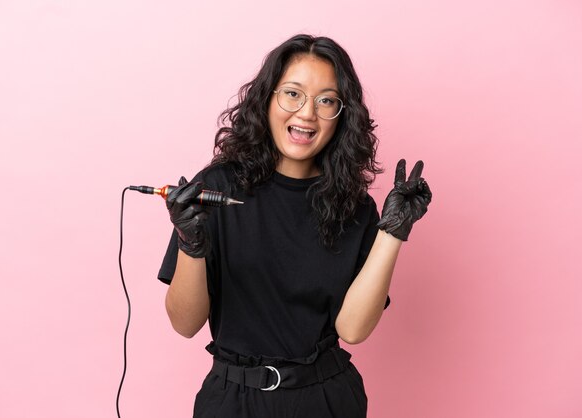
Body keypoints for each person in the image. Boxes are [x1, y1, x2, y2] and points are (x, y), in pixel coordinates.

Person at [158, 34, 432, 418]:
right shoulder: (215, 188)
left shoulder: (355, 208)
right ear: (267, 99)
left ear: (342, 115)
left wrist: (392, 233)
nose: (307, 113)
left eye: (326, 101)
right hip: (233, 400)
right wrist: (191, 243)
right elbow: (185, 324)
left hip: (326, 399)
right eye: (292, 94)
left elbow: (353, 330)